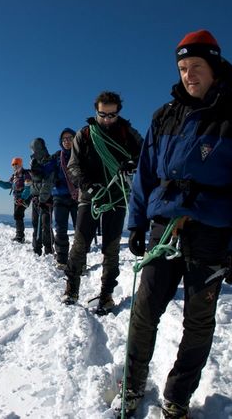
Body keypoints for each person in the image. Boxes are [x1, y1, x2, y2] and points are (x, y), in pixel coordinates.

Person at [121, 30, 232, 418]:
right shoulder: (164, 116)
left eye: (196, 66)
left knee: (198, 319)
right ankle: (132, 382)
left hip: (212, 234)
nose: (188, 74)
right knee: (144, 310)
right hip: (165, 227)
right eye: (182, 67)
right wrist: (137, 223)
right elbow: (145, 175)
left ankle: (177, 395)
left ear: (214, 67)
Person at [61, 91, 143, 311]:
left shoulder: (128, 133)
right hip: (91, 196)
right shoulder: (85, 134)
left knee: (112, 246)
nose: (107, 119)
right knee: (80, 243)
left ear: (118, 112)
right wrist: (87, 184)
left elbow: (146, 157)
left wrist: (132, 164)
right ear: (95, 111)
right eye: (103, 114)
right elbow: (73, 165)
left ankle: (106, 294)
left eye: (111, 115)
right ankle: (71, 288)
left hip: (116, 195)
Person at [51, 128, 79, 269]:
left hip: (78, 197)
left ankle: (79, 261)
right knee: (61, 229)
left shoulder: (81, 155)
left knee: (80, 230)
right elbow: (46, 168)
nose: (67, 141)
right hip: (60, 196)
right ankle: (62, 260)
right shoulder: (56, 156)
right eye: (64, 139)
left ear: (75, 139)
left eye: (70, 138)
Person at [0, 157, 32, 242]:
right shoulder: (14, 176)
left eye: (16, 164)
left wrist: (22, 198)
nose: (14, 166)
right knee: (17, 215)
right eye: (13, 164)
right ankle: (20, 236)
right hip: (17, 198)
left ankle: (20, 237)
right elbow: (7, 185)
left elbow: (28, 188)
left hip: (24, 198)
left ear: (20, 164)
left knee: (18, 214)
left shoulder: (26, 174)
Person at [29, 138, 55, 256]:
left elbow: (48, 182)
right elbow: (33, 182)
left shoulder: (48, 162)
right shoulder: (35, 161)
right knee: (36, 224)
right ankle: (37, 250)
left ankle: (48, 250)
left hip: (46, 200)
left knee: (45, 225)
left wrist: (43, 198)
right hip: (36, 198)